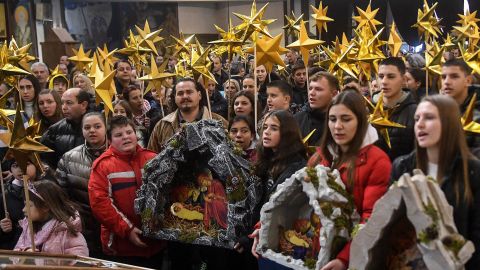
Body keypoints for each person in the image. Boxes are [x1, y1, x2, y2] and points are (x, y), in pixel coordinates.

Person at [390, 95, 480, 269]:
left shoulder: (473, 171)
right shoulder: (402, 167)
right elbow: (391, 224)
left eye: (429, 118)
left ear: (449, 123)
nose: (420, 124)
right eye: (417, 119)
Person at [305, 90, 390, 270]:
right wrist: (266, 226)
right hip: (316, 251)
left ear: (360, 121)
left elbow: (372, 218)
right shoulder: (320, 156)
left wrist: (345, 259)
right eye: (333, 119)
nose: (337, 126)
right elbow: (296, 196)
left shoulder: (377, 161)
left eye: (346, 119)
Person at [89, 116, 164, 267]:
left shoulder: (154, 159)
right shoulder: (103, 166)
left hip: (156, 243)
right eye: (118, 135)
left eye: (129, 132)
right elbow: (100, 204)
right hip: (121, 245)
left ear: (136, 134)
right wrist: (127, 230)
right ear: (110, 140)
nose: (125, 137)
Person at [250, 110, 307, 268]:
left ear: (287, 134)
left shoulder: (296, 167)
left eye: (274, 128)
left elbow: (277, 207)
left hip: (278, 240)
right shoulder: (267, 160)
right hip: (260, 235)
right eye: (265, 127)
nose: (266, 132)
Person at [56, 112, 107, 257]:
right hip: (84, 225)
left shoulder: (118, 153)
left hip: (113, 225)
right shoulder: (69, 158)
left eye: (97, 126)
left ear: (105, 127)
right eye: (87, 127)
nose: (92, 130)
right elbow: (62, 195)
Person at [148, 77, 228, 153]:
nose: (185, 96)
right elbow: (151, 158)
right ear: (175, 98)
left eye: (189, 92)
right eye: (180, 93)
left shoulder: (218, 122)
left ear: (199, 95)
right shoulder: (162, 125)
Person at [14, 180, 88, 256]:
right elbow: (14, 256)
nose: (24, 209)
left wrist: (40, 260)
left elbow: (79, 262)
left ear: (45, 207)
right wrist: (25, 254)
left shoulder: (67, 231)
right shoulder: (28, 228)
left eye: (29, 205)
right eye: (24, 205)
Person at [374, 57, 417, 161]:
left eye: (391, 77)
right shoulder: (366, 108)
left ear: (403, 80)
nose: (384, 81)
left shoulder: (416, 111)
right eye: (381, 76)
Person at [40, 88, 90, 169]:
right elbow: (44, 158)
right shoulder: (55, 130)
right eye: (62, 103)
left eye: (69, 103)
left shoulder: (98, 126)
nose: (64, 107)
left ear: (83, 105)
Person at [441, 59, 480, 150]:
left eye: (454, 76)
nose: (447, 82)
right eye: (443, 77)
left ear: (468, 80)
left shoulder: (477, 117)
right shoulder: (436, 111)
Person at [0, 161, 40, 250]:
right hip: (17, 248)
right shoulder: (5, 195)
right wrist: (4, 229)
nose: (21, 169)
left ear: (37, 164)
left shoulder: (48, 189)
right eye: (15, 165)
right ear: (10, 169)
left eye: (27, 163)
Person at [295, 72, 339, 146]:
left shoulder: (340, 122)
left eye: (318, 89)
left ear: (334, 94)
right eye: (310, 88)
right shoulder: (297, 119)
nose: (311, 93)